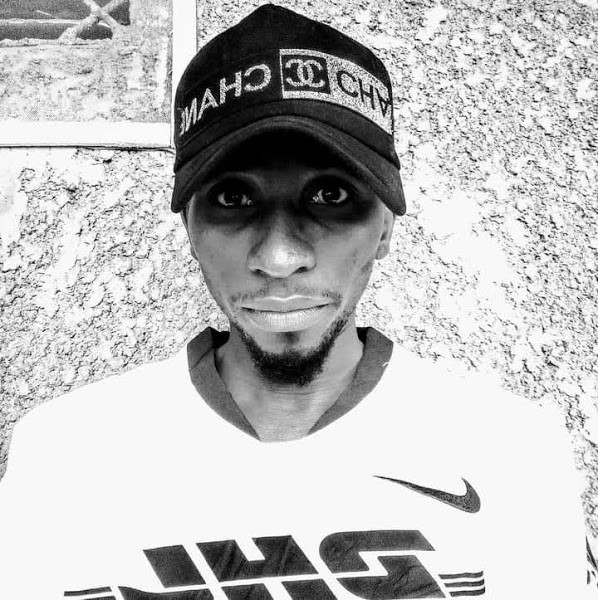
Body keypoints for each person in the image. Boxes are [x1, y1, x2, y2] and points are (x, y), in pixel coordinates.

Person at [0, 4, 596, 599]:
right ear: (190, 230)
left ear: (385, 227)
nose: (280, 258)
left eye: (330, 195)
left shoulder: (511, 452)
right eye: (234, 199)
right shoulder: (67, 456)